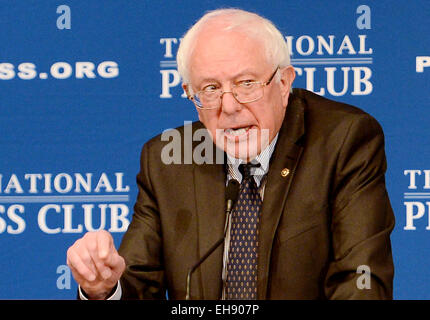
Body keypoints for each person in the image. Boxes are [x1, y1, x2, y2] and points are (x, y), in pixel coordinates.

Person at [66, 8, 395, 300]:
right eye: (209, 89)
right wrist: (104, 289)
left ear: (283, 84)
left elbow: (362, 280)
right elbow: (138, 282)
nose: (229, 106)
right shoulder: (168, 160)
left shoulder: (344, 141)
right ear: (190, 95)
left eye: (246, 83)